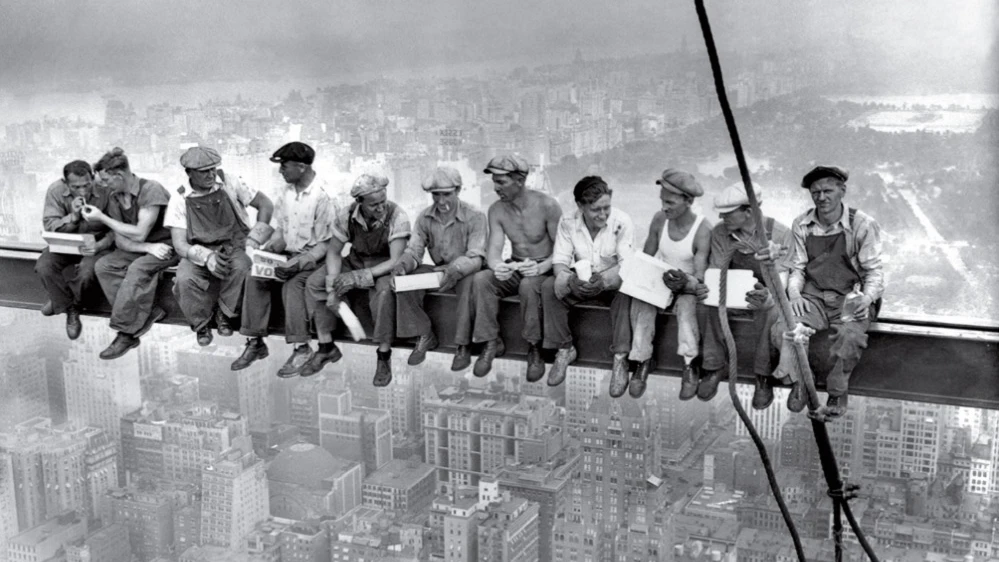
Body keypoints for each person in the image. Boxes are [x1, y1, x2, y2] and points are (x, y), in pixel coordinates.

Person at [771, 166, 885, 418]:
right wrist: (795, 295)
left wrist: (866, 298)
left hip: (850, 297)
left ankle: (837, 390)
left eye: (827, 191)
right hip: (813, 297)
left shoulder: (862, 224)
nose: (821, 198)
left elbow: (874, 271)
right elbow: (797, 268)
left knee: (850, 337)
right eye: (815, 193)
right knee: (785, 328)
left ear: (842, 191)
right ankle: (802, 379)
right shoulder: (802, 224)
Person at [231, 142, 336, 377]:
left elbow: (326, 244)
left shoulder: (323, 196)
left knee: (293, 285)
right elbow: (281, 231)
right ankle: (255, 342)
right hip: (289, 255)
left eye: (284, 166)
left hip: (315, 261)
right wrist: (266, 252)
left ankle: (302, 347)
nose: (281, 171)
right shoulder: (287, 194)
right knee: (255, 275)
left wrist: (298, 263)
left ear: (301, 167)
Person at [304, 173, 410, 386]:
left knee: (384, 293)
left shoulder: (398, 216)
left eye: (383, 202)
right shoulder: (347, 215)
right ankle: (326, 346)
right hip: (356, 260)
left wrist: (358, 277)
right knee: (315, 282)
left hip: (383, 266)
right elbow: (334, 252)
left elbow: (395, 259)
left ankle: (383, 355)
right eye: (373, 205)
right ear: (359, 202)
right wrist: (333, 287)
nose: (380, 208)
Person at [165, 146, 274, 346]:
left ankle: (225, 314)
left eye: (213, 168)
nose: (211, 174)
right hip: (199, 250)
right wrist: (206, 257)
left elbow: (266, 205)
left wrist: (254, 239)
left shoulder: (231, 182)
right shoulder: (179, 198)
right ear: (189, 173)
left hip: (234, 246)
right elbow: (180, 244)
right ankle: (201, 324)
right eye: (204, 171)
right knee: (184, 279)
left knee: (242, 268)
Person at [699, 182, 793, 408]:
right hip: (731, 291)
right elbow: (716, 271)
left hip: (767, 295)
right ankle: (714, 366)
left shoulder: (779, 234)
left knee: (768, 311)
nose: (723, 218)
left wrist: (766, 296)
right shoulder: (721, 233)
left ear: (749, 211)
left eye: (728, 214)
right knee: (706, 304)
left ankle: (762, 376)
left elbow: (782, 281)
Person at [470, 154, 562, 380]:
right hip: (517, 264)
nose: (495, 188)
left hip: (545, 267)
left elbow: (563, 250)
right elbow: (493, 251)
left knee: (529, 286)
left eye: (501, 182)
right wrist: (498, 266)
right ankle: (491, 341)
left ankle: (534, 348)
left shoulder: (548, 206)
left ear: (519, 181)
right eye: (494, 181)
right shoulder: (496, 210)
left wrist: (542, 268)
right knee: (482, 280)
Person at [541, 176, 635, 393]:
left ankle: (620, 358)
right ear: (580, 206)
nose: (602, 215)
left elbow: (626, 265)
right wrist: (570, 280)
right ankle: (564, 349)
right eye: (595, 210)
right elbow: (560, 262)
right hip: (582, 280)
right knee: (549, 288)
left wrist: (603, 281)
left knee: (626, 293)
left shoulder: (622, 222)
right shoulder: (567, 222)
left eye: (606, 208)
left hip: (612, 281)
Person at [84, 148, 178, 359]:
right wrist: (147, 248)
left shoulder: (150, 190)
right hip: (147, 248)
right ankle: (148, 312)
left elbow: (139, 232)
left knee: (137, 269)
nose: (104, 185)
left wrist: (103, 218)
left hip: (168, 246)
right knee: (104, 266)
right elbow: (120, 238)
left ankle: (126, 333)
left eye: (107, 180)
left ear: (119, 175)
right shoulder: (115, 196)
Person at [628, 168, 711, 399]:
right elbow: (647, 256)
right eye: (662, 201)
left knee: (686, 310)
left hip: (686, 285)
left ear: (688, 201)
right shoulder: (659, 219)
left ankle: (689, 363)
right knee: (642, 304)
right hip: (661, 279)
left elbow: (700, 274)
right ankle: (642, 360)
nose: (664, 207)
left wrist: (686, 282)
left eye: (670, 202)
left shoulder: (703, 230)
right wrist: (642, 280)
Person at [393, 167, 486, 371]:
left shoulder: (475, 216)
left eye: (447, 194)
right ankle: (424, 334)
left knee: (468, 284)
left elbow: (476, 256)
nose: (441, 201)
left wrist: (455, 269)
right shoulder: (425, 217)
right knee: (405, 282)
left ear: (458, 191)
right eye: (436, 195)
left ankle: (462, 345)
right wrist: (403, 265)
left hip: (465, 270)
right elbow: (415, 250)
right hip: (440, 270)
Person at [35, 160, 114, 340]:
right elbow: (50, 226)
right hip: (65, 242)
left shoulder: (106, 190)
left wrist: (100, 245)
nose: (83, 191)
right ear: (66, 183)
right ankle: (69, 307)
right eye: (76, 187)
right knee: (44, 266)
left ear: (92, 178)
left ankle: (61, 301)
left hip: (96, 243)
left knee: (87, 273)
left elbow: (116, 227)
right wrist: (74, 217)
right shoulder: (55, 191)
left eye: (87, 185)